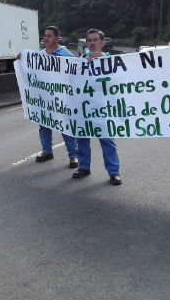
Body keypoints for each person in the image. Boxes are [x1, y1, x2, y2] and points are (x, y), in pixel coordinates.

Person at [71, 29, 122, 185]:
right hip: (83, 108)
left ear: (102, 43)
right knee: (82, 138)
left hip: (103, 109)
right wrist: (24, 59)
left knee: (107, 140)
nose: (92, 43)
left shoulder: (111, 62)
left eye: (95, 40)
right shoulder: (80, 61)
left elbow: (118, 83)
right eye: (89, 40)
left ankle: (114, 172)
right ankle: (84, 167)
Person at [32, 26, 79, 167]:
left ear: (57, 39)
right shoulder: (40, 55)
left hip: (61, 98)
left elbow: (76, 73)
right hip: (45, 98)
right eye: (44, 35)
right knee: (44, 124)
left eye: (49, 36)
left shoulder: (65, 55)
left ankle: (73, 155)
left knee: (65, 126)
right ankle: (47, 151)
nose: (45, 38)